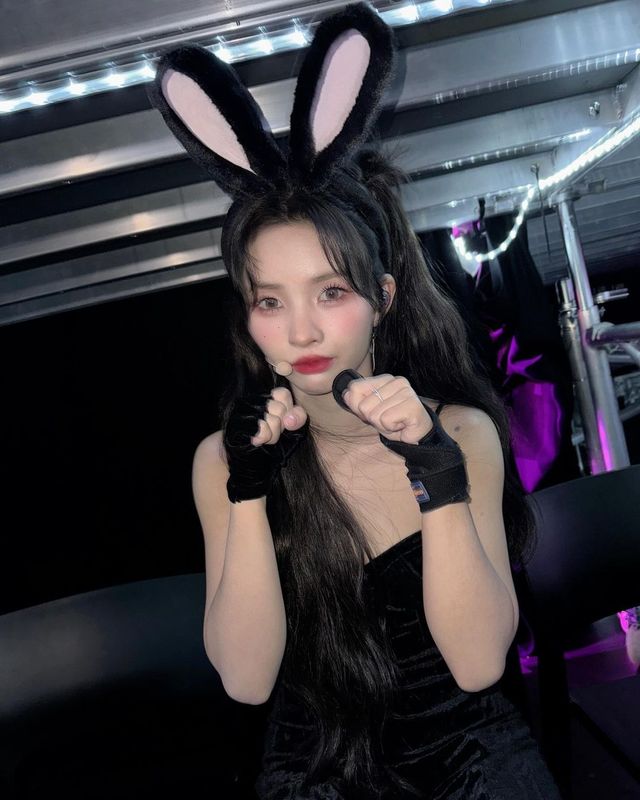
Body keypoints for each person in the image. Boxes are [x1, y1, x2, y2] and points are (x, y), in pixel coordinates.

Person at [149, 3, 562, 797]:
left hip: (470, 762)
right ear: (247, 316)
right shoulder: (223, 461)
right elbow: (247, 680)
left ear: (382, 297)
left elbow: (479, 665)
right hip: (316, 773)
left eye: (330, 292)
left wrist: (436, 473)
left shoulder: (462, 431)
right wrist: (247, 491)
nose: (301, 328)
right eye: (270, 301)